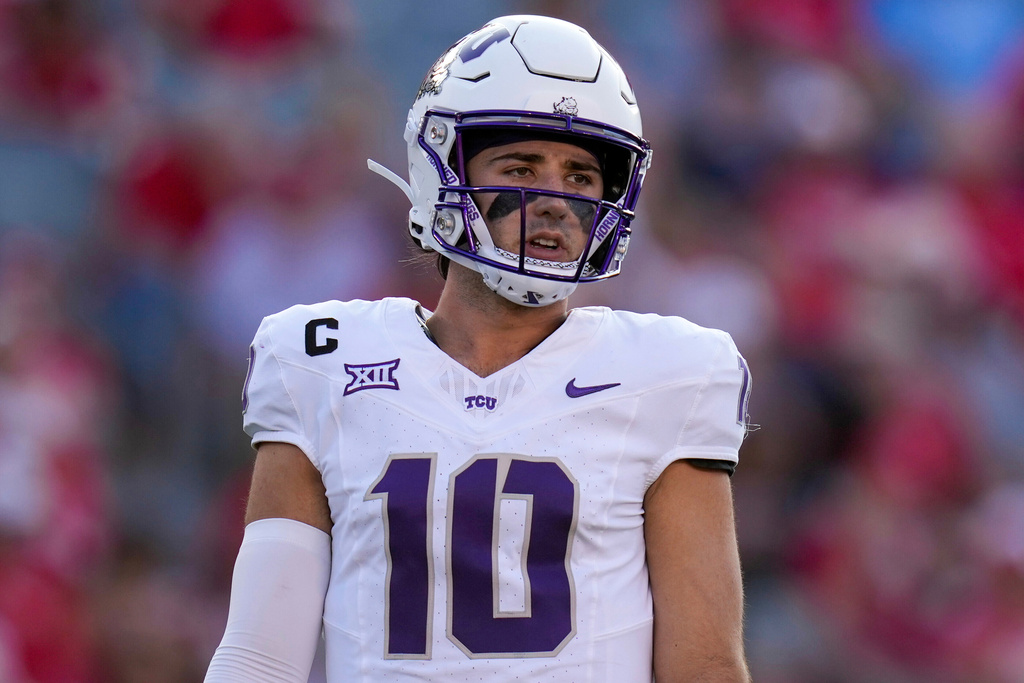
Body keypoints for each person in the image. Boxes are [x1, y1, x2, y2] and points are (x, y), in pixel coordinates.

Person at [205, 14, 752, 683]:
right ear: (440, 172)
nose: (556, 201)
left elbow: (704, 666)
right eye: (522, 168)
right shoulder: (321, 363)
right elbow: (260, 658)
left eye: (581, 177)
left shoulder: (666, 376)